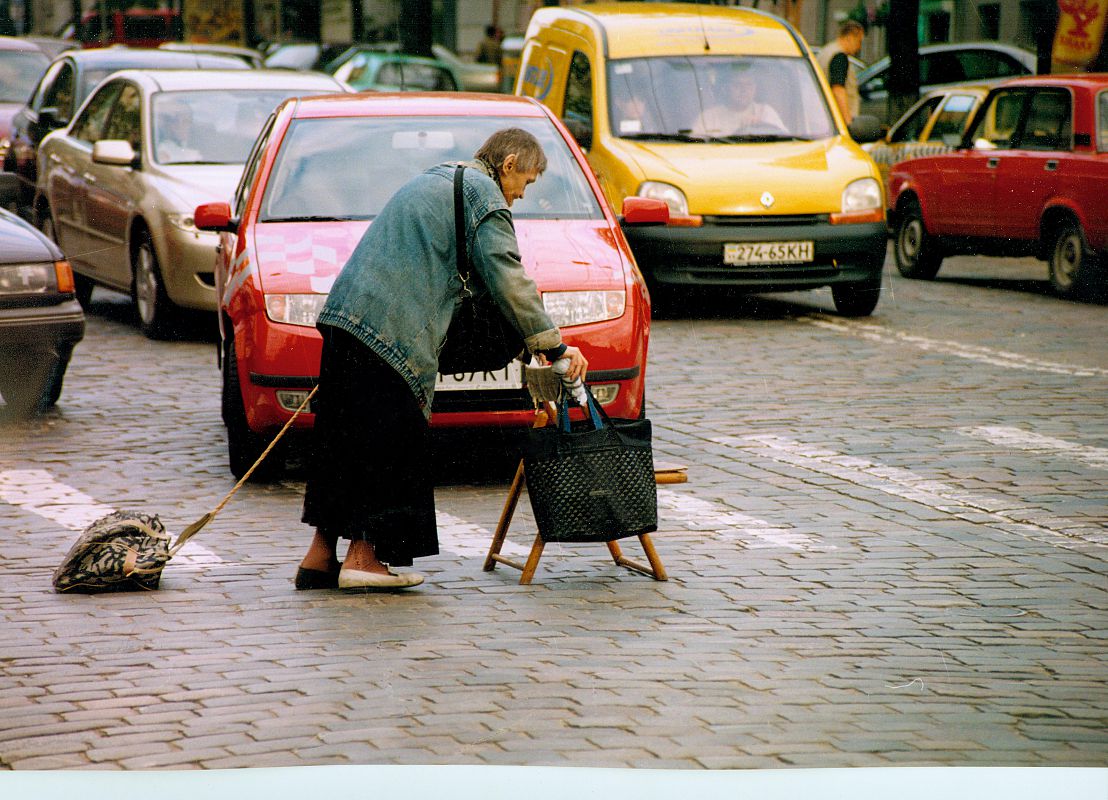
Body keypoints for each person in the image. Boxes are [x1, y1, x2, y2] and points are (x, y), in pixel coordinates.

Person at [296, 128, 589, 591]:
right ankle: (364, 560)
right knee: (389, 443)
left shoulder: (439, 177)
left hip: (342, 319)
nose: (519, 196)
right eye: (525, 183)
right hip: (387, 331)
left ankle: (320, 557)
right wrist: (554, 346)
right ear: (508, 164)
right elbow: (510, 279)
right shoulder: (484, 195)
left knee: (342, 438)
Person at [691, 68, 786, 137]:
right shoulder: (709, 117)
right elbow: (694, 148)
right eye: (737, 85)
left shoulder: (765, 112)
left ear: (755, 88)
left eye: (749, 85)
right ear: (726, 89)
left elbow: (785, 141)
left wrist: (760, 127)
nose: (744, 90)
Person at [817, 19, 865, 126]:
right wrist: (849, 123)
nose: (859, 47)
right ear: (850, 38)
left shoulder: (826, 51)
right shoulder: (840, 56)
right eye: (859, 41)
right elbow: (838, 90)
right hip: (837, 121)